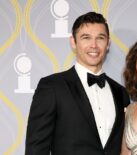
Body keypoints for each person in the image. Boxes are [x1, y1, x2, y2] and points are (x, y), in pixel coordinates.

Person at [25, 12, 130, 155]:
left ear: (108, 44)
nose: (94, 45)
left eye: (100, 38)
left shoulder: (120, 92)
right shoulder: (52, 87)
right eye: (86, 38)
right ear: (73, 42)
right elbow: (36, 149)